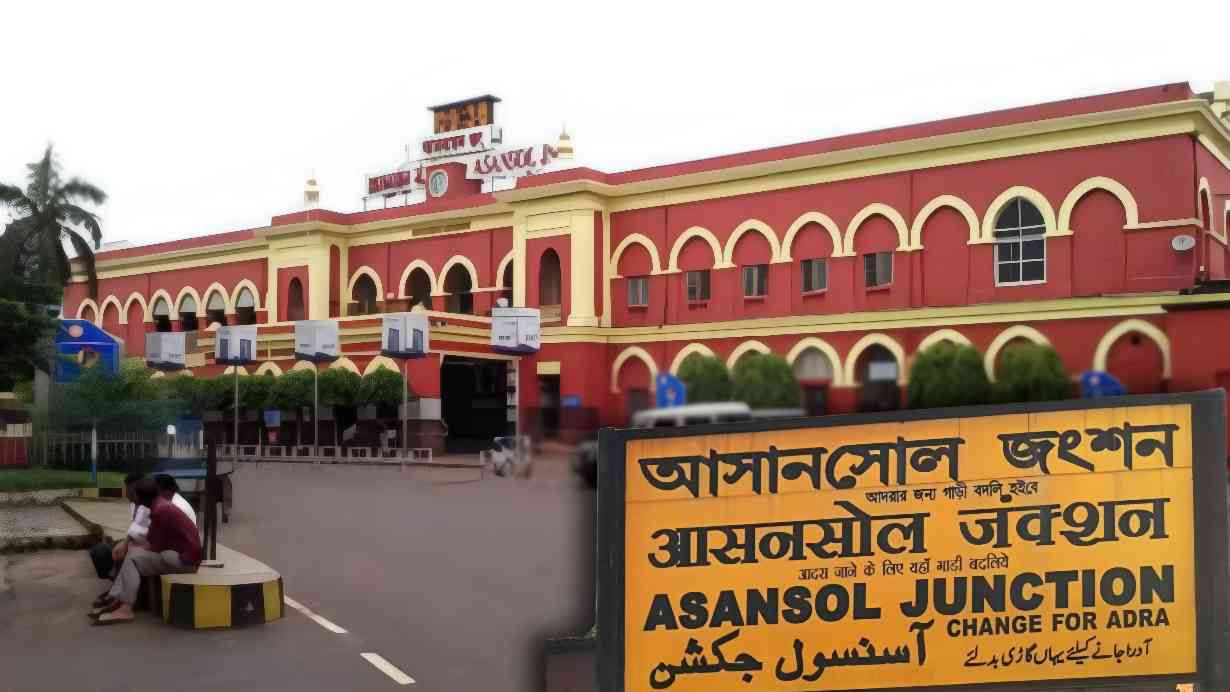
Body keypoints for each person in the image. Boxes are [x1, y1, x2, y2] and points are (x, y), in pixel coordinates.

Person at [91, 478, 201, 625]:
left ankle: (125, 608)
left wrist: (130, 547)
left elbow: (154, 546)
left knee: (132, 560)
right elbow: (152, 541)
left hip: (185, 561)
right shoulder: (161, 504)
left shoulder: (159, 511)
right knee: (133, 553)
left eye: (133, 494)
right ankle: (118, 598)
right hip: (180, 554)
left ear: (139, 497)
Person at [89, 473, 150, 609]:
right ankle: (116, 588)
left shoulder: (147, 505)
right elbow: (135, 529)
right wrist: (125, 542)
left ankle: (121, 597)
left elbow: (143, 532)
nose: (127, 493)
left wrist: (126, 543)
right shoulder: (134, 504)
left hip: (149, 547)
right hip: (138, 543)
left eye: (129, 490)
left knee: (112, 552)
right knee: (101, 551)